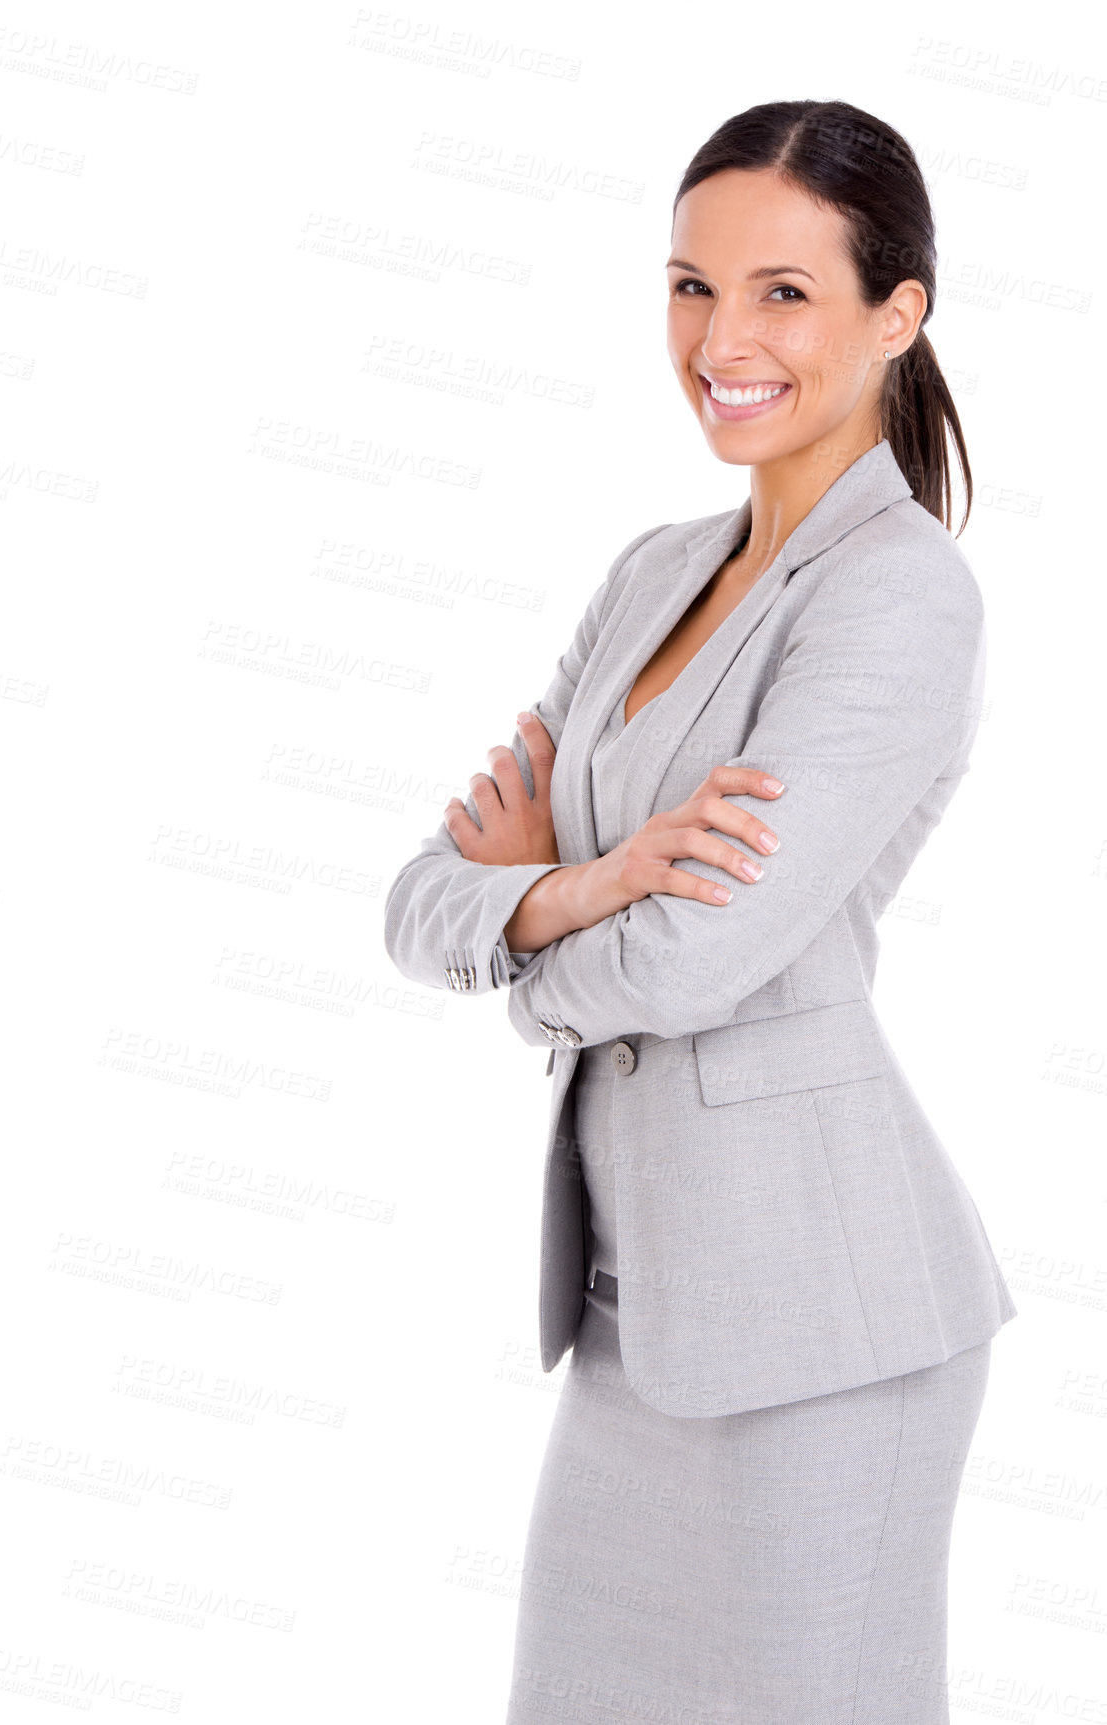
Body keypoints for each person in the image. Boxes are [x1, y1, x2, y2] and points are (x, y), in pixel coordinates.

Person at [383, 99, 1016, 1724]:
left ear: (897, 315)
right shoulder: (652, 571)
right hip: (639, 1318)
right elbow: (418, 893)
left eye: (783, 293)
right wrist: (582, 880)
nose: (720, 338)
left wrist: (523, 943)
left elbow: (702, 948)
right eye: (688, 284)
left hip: (823, 1328)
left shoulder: (899, 594)